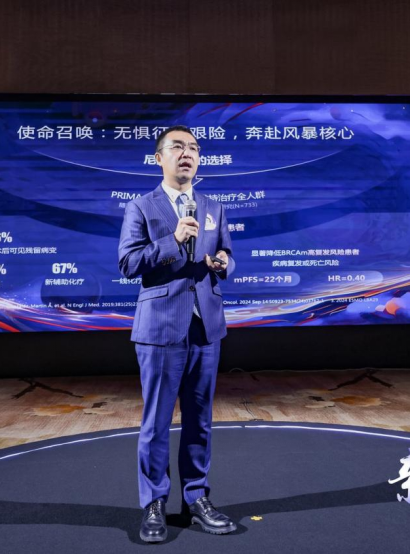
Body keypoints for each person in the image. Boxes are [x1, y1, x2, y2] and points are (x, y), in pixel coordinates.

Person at [118, 125, 237, 542]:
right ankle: (154, 503)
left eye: (194, 148)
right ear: (159, 158)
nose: (187, 153)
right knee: (156, 422)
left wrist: (223, 262)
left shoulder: (213, 206)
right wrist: (173, 240)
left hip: (206, 326)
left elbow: (227, 253)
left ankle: (196, 499)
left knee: (199, 421)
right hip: (160, 327)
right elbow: (128, 263)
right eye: (178, 147)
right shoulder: (141, 206)